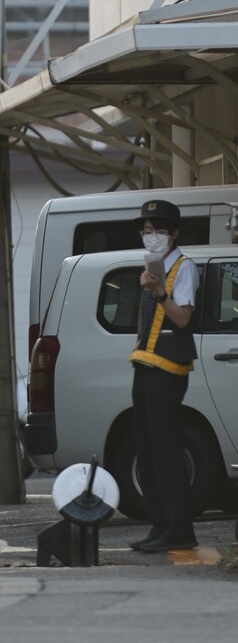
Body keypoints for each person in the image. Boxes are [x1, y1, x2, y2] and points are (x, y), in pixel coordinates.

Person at [128, 197, 199, 553]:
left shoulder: (183, 267)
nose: (151, 236)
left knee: (167, 451)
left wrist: (158, 292)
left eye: (158, 231)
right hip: (145, 367)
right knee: (148, 450)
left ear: (174, 234)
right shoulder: (151, 270)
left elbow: (183, 318)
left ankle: (179, 530)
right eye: (146, 231)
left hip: (168, 372)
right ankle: (160, 526)